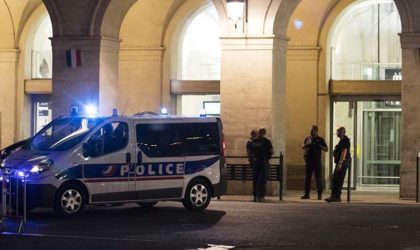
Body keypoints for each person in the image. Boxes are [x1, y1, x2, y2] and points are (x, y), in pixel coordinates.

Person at [301, 125, 328, 200]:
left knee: (318, 178)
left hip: (317, 161)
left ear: (316, 131)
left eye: (312, 130)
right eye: (310, 130)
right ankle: (306, 194)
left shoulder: (320, 139)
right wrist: (305, 146)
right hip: (309, 161)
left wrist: (319, 146)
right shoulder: (307, 138)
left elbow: (326, 149)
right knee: (307, 178)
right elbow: (304, 147)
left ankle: (319, 194)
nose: (311, 132)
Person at [325, 127, 351, 202]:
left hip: (342, 162)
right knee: (335, 178)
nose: (337, 133)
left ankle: (335, 197)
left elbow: (344, 151)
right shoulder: (342, 141)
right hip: (341, 162)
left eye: (338, 132)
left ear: (342, 133)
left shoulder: (345, 141)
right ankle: (335, 196)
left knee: (338, 179)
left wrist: (340, 163)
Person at [250, 127, 274, 202]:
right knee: (263, 179)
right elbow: (272, 151)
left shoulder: (253, 141)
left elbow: (250, 151)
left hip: (255, 162)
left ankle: (255, 195)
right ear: (264, 133)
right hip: (263, 162)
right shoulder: (266, 141)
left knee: (255, 178)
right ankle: (261, 196)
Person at [246, 129, 258, 201]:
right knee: (257, 178)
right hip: (257, 162)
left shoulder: (249, 142)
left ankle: (255, 192)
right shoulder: (254, 142)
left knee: (255, 178)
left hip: (253, 162)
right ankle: (256, 193)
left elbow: (249, 152)